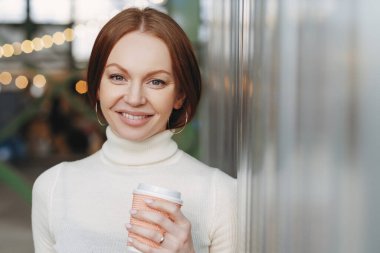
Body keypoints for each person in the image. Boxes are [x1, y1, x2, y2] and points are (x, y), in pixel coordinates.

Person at [32, 7, 237, 253]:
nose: (135, 98)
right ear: (97, 86)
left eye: (156, 81)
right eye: (118, 77)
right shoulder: (53, 187)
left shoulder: (221, 195)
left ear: (179, 96)